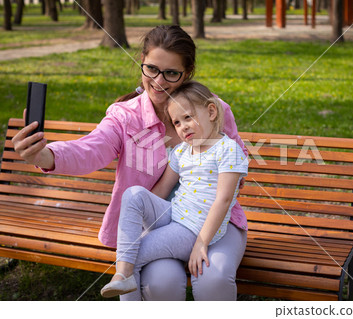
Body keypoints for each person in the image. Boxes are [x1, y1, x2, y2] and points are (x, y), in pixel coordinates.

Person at [11, 25, 249, 301]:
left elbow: (232, 174)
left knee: (214, 277)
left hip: (215, 223)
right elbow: (90, 149)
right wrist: (44, 155)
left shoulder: (214, 110)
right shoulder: (126, 117)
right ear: (142, 64)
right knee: (162, 283)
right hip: (160, 224)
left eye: (171, 73)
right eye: (151, 69)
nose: (159, 80)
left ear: (188, 73)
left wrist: (200, 232)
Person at [100, 81, 248, 298]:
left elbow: (223, 200)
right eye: (177, 122)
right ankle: (124, 275)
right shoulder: (182, 151)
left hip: (193, 229)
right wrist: (141, 216)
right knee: (133, 194)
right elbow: (161, 189)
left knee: (133, 255)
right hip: (175, 217)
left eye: (188, 117)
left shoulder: (228, 149)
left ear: (211, 111)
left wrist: (201, 243)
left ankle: (124, 277)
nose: (183, 127)